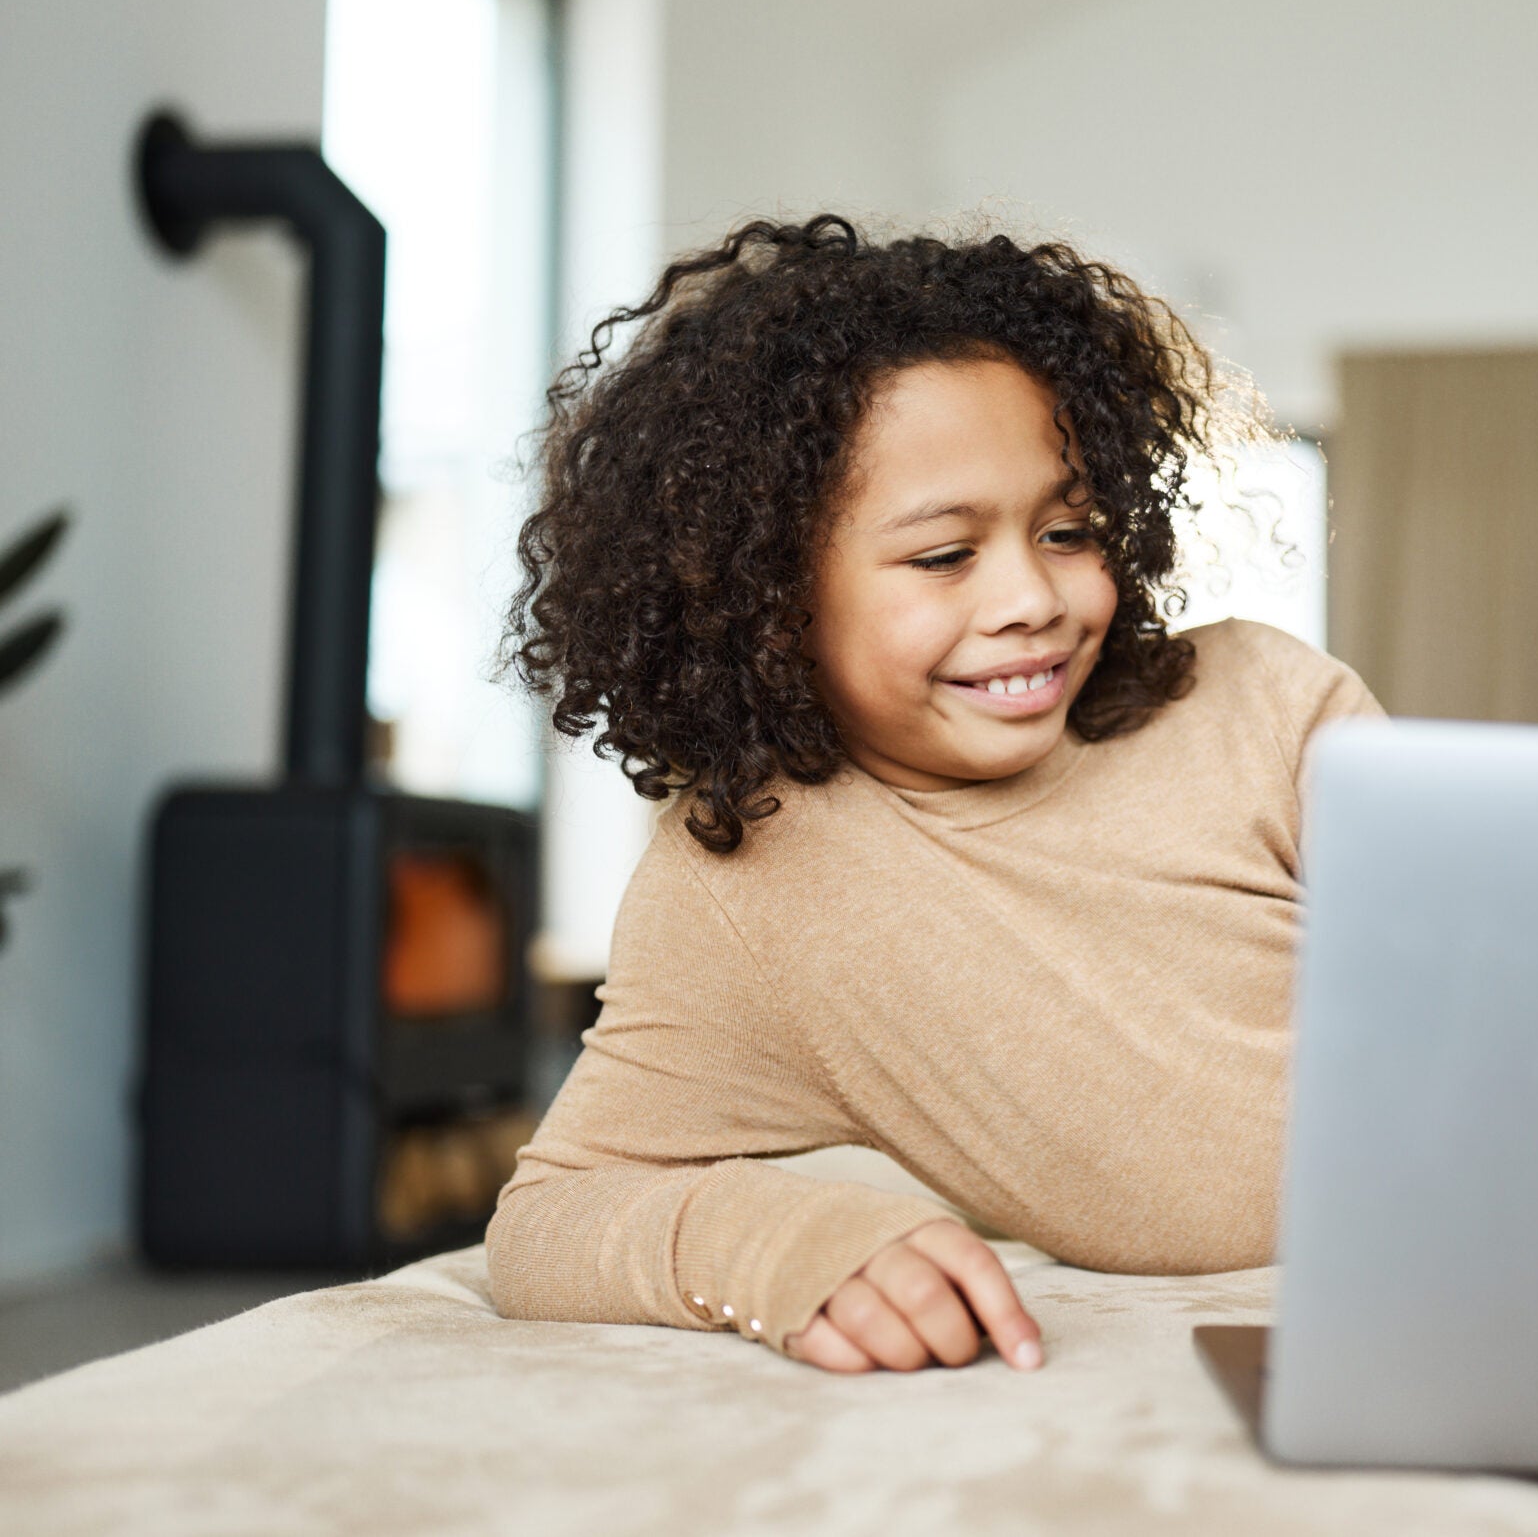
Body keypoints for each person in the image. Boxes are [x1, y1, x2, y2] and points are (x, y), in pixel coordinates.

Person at [487, 218, 1378, 1375]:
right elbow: (546, 1223)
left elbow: (1511, 988)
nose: (1030, 598)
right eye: (943, 555)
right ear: (768, 591)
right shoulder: (748, 884)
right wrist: (781, 1240)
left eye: (1067, 531)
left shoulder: (1266, 705)